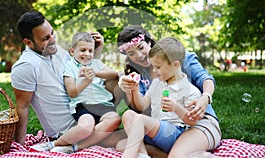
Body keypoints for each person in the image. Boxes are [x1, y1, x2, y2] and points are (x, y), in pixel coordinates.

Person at [115, 25, 221, 157]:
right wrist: (132, 90)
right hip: (162, 127)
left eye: (141, 47)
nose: (139, 55)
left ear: (149, 42)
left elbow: (204, 79)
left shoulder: (176, 57)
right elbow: (141, 106)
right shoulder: (150, 80)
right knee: (123, 141)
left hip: (191, 125)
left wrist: (205, 97)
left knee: (137, 132)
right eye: (131, 53)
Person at [11, 11, 104, 146]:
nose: (53, 40)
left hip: (86, 114)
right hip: (69, 132)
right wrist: (19, 146)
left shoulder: (57, 51)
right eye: (45, 38)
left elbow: (82, 74)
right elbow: (22, 107)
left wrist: (97, 51)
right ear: (28, 42)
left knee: (117, 84)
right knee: (126, 140)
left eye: (52, 33)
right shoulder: (26, 66)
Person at [30, 32, 121, 153]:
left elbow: (114, 74)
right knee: (86, 127)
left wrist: (95, 72)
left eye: (90, 51)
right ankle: (53, 144)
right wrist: (87, 81)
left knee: (115, 119)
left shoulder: (96, 63)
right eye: (83, 50)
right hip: (83, 106)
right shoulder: (70, 66)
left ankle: (76, 147)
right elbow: (72, 92)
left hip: (104, 105)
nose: (87, 54)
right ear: (73, 51)